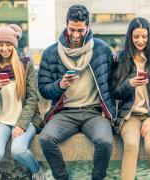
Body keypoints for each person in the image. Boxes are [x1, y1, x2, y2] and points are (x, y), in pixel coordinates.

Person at [38, 5, 116, 180]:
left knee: (104, 141)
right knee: (46, 138)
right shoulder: (51, 53)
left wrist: (109, 109)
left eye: (80, 30)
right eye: (72, 29)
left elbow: (112, 83)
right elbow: (43, 89)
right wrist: (60, 85)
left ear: (88, 27)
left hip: (94, 112)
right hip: (64, 112)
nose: (75, 35)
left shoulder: (102, 49)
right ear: (66, 25)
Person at [110, 17, 150, 180]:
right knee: (131, 145)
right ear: (130, 36)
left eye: (144, 36)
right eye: (136, 36)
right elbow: (114, 92)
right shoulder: (120, 59)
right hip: (130, 115)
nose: (140, 40)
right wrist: (129, 84)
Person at [0, 24, 45, 180]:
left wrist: (21, 124)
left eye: (8, 44)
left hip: (26, 120)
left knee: (18, 150)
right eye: (0, 44)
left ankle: (37, 170)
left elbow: (33, 98)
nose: (4, 48)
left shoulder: (25, 64)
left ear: (14, 45)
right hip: (2, 121)